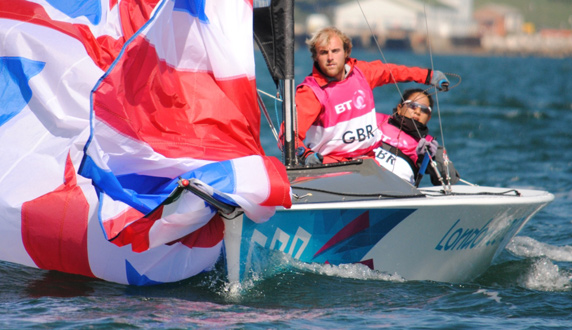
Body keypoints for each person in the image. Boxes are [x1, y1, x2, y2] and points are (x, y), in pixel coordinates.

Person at [292, 26, 450, 166]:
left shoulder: (361, 73)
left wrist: (428, 76)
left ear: (346, 52)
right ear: (315, 57)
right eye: (323, 53)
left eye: (335, 51)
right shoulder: (310, 92)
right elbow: (288, 136)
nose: (330, 58)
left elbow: (393, 72)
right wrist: (305, 155)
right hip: (331, 165)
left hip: (367, 162)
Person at [373, 88, 460, 186]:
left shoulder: (429, 146)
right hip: (361, 174)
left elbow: (449, 182)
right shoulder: (372, 120)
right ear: (399, 108)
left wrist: (432, 159)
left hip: (396, 190)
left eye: (424, 110)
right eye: (412, 106)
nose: (418, 112)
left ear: (429, 117)